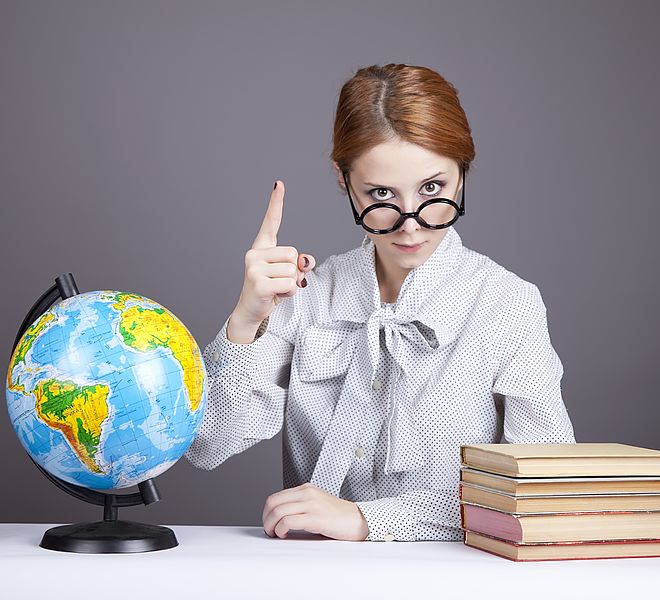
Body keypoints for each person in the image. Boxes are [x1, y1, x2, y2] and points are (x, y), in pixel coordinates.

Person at [184, 63, 576, 542]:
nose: (410, 223)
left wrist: (368, 520)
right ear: (344, 180)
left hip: (457, 581)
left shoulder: (506, 304)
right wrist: (246, 318)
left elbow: (542, 489)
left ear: (462, 173)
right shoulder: (308, 296)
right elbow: (206, 445)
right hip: (314, 577)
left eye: (433, 189)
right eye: (381, 194)